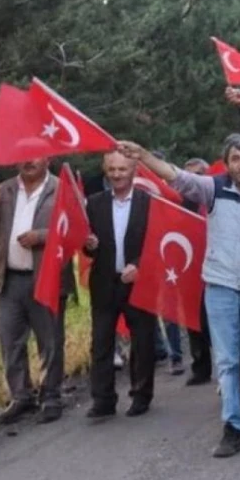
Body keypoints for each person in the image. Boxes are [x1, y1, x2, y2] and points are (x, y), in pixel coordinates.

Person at [120, 135, 240, 458]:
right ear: (225, 163)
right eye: (236, 159)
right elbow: (176, 176)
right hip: (221, 286)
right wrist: (143, 154)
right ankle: (234, 428)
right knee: (227, 361)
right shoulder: (213, 189)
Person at [0, 158, 73, 425]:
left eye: (36, 155)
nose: (29, 161)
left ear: (47, 159)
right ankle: (21, 397)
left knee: (50, 342)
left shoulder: (62, 189)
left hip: (46, 279)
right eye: (24, 156)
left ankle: (51, 397)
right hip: (9, 280)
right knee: (9, 341)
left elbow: (75, 231)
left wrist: (41, 236)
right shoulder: (3, 189)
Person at [83, 151, 158, 418]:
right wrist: (89, 245)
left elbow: (155, 242)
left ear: (134, 170)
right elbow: (87, 245)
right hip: (104, 281)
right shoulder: (93, 203)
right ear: (105, 169)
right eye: (112, 169)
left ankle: (141, 395)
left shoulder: (148, 202)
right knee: (101, 342)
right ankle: (102, 400)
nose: (116, 175)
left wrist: (138, 265)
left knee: (142, 341)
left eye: (122, 169)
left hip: (139, 283)